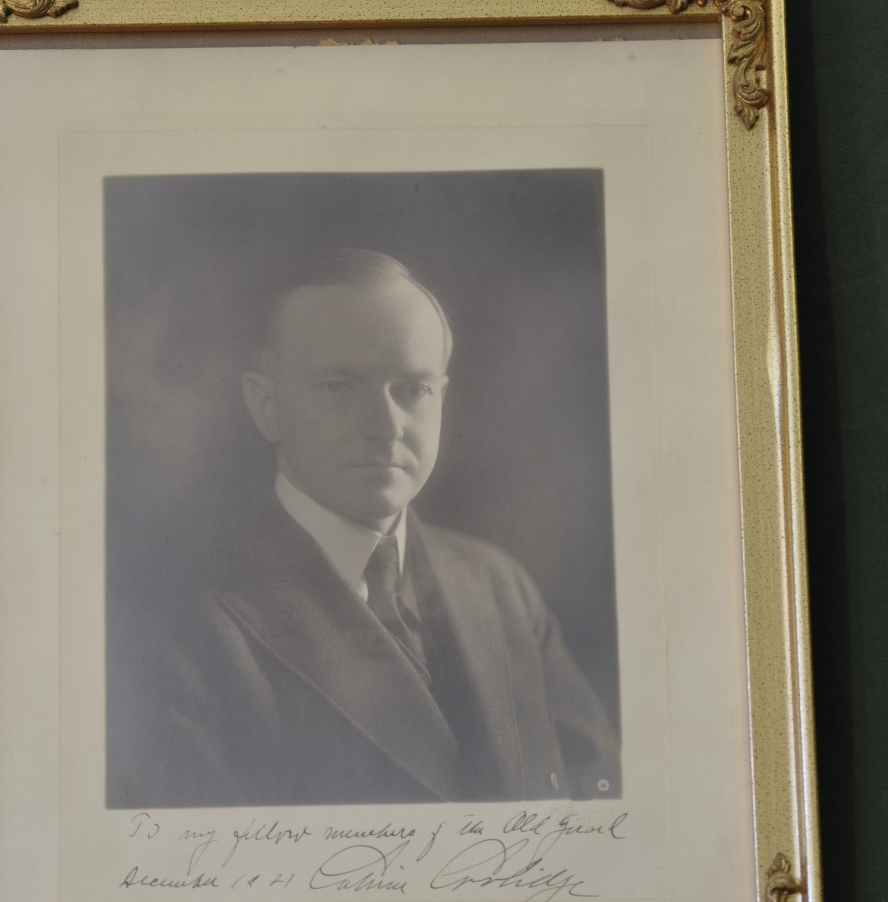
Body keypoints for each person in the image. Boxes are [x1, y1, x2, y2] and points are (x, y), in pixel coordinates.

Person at [107, 250, 619, 807]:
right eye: (339, 386)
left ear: (441, 399)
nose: (385, 425)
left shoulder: (502, 587)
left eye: (413, 388)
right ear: (266, 406)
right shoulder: (180, 630)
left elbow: (605, 810)